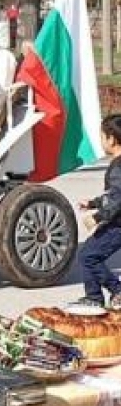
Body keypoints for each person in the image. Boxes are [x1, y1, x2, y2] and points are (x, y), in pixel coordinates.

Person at [76, 114, 121, 309]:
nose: (102, 141)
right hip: (115, 221)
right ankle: (94, 297)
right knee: (88, 254)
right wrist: (93, 203)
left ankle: (115, 291)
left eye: (102, 136)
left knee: (88, 256)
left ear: (112, 139)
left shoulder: (118, 167)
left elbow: (118, 198)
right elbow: (112, 196)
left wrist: (98, 216)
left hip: (117, 224)